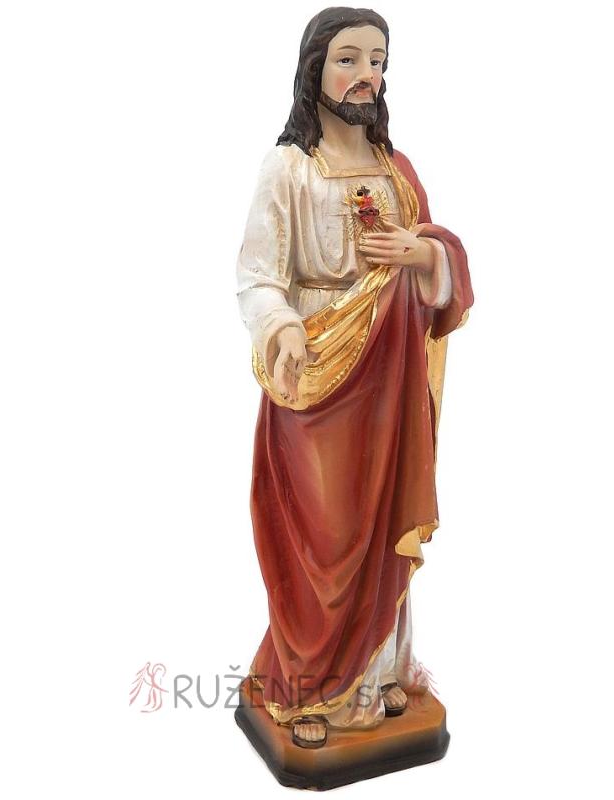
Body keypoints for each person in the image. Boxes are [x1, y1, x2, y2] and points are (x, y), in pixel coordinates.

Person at [236, 7, 473, 748]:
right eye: (348, 59)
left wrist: (426, 254)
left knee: (382, 521)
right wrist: (281, 327)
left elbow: (438, 258)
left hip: (391, 379)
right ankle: (310, 687)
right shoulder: (289, 169)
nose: (366, 75)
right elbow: (258, 275)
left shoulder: (396, 169)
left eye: (378, 60)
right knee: (325, 536)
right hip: (318, 377)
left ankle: (377, 673)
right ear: (315, 70)